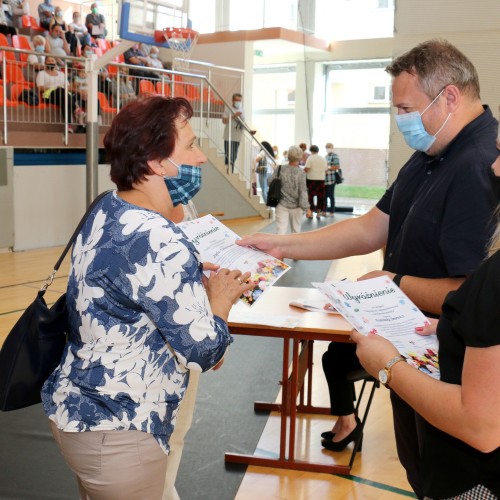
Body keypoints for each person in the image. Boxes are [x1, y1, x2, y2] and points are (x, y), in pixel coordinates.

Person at [237, 39, 499, 499]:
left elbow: (473, 295)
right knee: (423, 473)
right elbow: (369, 229)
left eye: (405, 107)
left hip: (452, 371)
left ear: (450, 96)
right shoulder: (432, 155)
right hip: (413, 348)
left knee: (447, 481)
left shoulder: (477, 166)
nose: (400, 120)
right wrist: (279, 244)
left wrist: (396, 285)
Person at [41, 95, 255, 499]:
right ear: (156, 162)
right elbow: (204, 351)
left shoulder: (106, 206)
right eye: (190, 146)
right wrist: (220, 297)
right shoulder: (159, 237)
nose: (202, 158)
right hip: (120, 428)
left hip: (79, 412)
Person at [351, 210, 500, 499]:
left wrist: (387, 365)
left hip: (478, 482)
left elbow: (480, 426)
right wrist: (454, 331)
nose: (493, 164)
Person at [36, 55, 86, 131]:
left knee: (65, 99)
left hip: (63, 95)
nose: (50, 62)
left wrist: (78, 91)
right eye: (48, 61)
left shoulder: (61, 74)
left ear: (55, 63)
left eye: (52, 61)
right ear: (45, 62)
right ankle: (76, 109)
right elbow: (40, 87)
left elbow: (68, 87)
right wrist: (54, 88)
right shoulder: (41, 73)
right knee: (61, 91)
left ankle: (68, 125)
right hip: (48, 95)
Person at [271, 144, 310, 234]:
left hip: (281, 204)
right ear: (300, 158)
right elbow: (303, 191)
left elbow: (269, 182)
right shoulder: (301, 172)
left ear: (288, 156)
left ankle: (279, 248)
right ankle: (293, 248)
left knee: (281, 230)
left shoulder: (279, 169)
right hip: (296, 207)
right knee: (296, 231)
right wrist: (307, 208)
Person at [222, 92, 248, 173]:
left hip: (237, 136)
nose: (238, 102)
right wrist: (234, 116)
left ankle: (231, 171)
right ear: (233, 100)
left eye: (240, 100)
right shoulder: (228, 108)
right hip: (228, 136)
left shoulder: (242, 109)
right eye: (236, 100)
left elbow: (243, 122)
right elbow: (224, 121)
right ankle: (227, 172)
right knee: (228, 155)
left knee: (234, 156)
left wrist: (249, 130)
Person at [304, 145, 327, 219]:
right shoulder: (323, 158)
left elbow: (306, 169)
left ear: (311, 151)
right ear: (318, 150)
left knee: (310, 197)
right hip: (321, 180)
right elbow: (326, 170)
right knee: (320, 197)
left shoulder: (310, 158)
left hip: (312, 180)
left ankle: (310, 213)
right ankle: (319, 213)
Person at [324, 142, 340, 216]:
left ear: (332, 148)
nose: (328, 149)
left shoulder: (335, 156)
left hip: (331, 179)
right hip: (325, 179)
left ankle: (332, 211)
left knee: (331, 196)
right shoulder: (325, 156)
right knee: (325, 196)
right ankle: (324, 211)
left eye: (329, 147)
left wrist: (329, 168)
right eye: (327, 148)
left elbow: (337, 166)